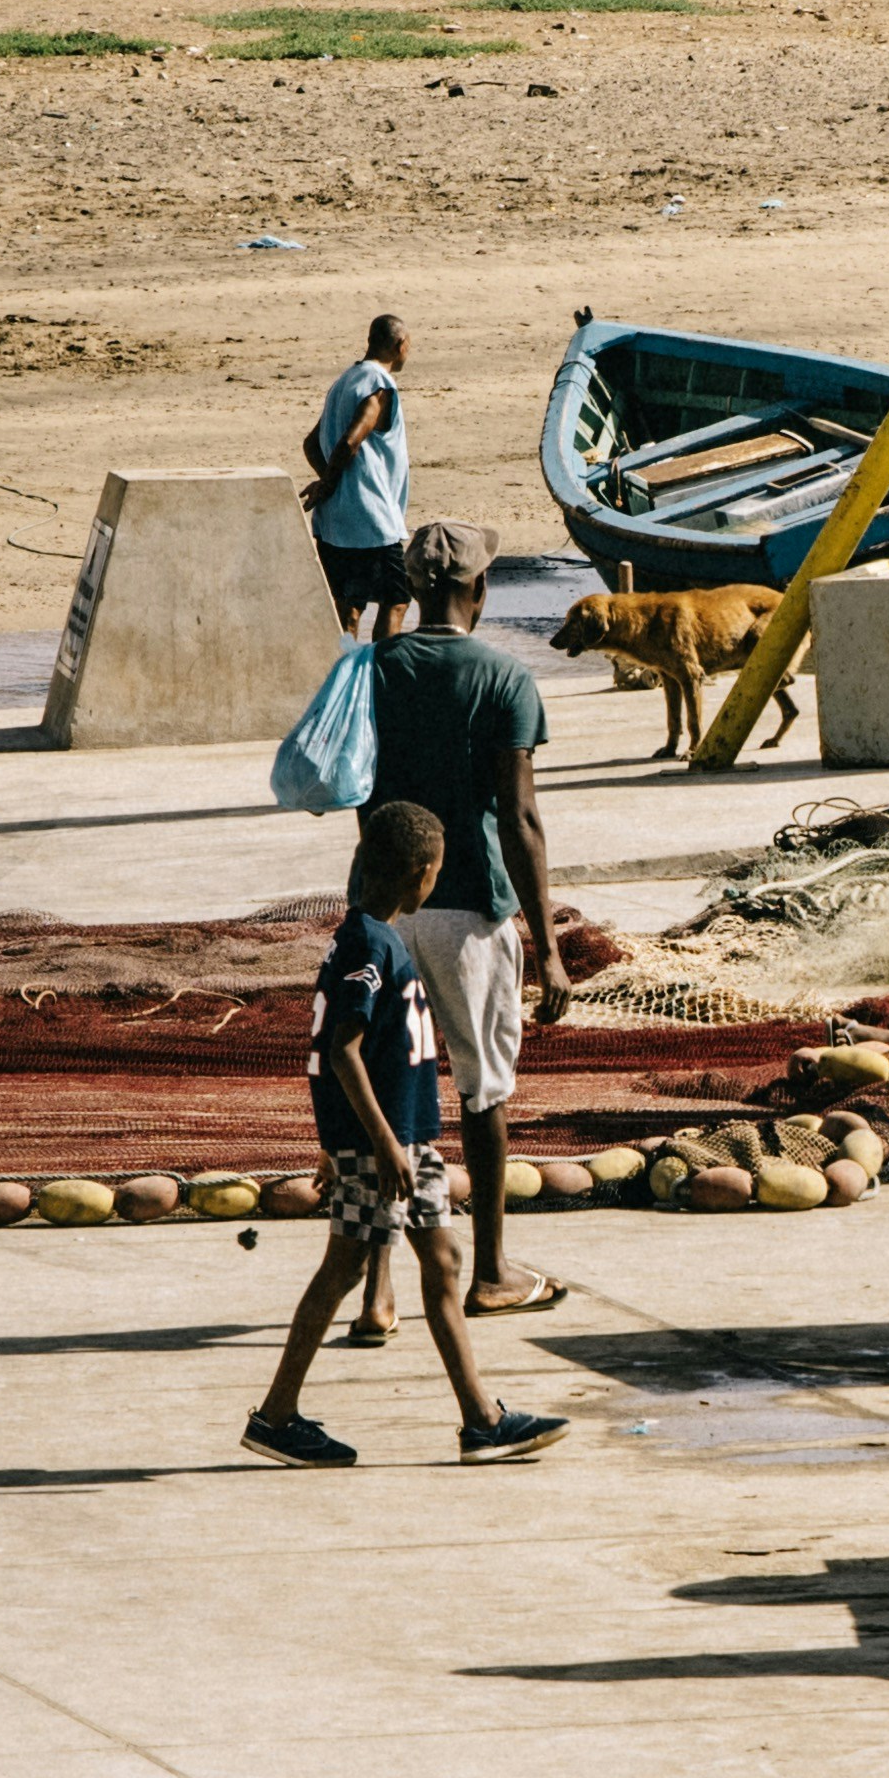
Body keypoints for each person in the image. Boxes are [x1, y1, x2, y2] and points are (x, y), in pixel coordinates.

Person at [243, 797, 567, 1470]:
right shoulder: (367, 946)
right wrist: (373, 1147)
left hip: (408, 1142)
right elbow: (340, 1051)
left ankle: (483, 1421)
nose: (436, 883)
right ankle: (276, 1416)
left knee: (443, 1264)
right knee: (342, 1268)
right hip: (386, 1148)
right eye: (436, 872)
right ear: (419, 873)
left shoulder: (382, 938)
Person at [368, 522, 573, 1321]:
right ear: (480, 591)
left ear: (416, 591)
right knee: (482, 1093)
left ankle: (378, 1290)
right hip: (469, 913)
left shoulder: (373, 670)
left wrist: (378, 902)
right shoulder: (504, 677)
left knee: (388, 1098)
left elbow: (358, 792)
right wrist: (548, 945)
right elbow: (519, 817)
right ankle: (489, 1271)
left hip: (387, 910)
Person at [302, 315, 414, 635]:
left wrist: (328, 484)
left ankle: (346, 674)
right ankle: (380, 678)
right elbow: (352, 440)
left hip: (334, 523)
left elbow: (311, 444)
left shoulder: (344, 381)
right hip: (372, 519)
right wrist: (329, 483)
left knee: (349, 608)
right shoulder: (379, 384)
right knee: (396, 600)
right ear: (399, 345)